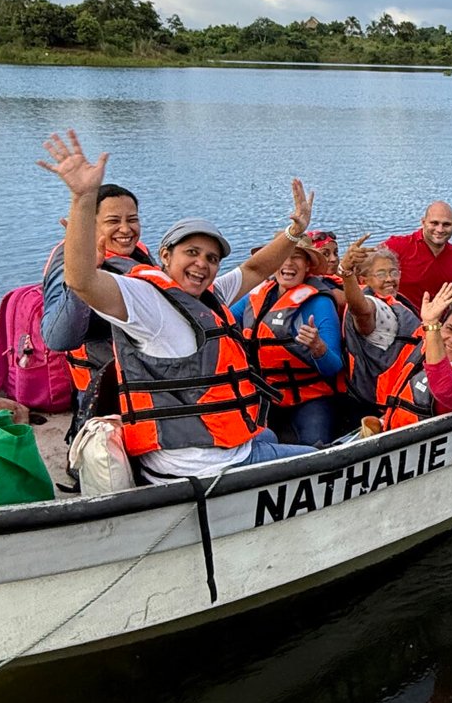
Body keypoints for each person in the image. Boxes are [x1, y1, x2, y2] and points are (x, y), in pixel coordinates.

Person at [38, 130, 315, 480]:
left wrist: (294, 233)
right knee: (323, 457)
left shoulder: (203, 295)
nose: (203, 264)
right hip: (201, 466)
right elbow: (82, 282)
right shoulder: (150, 303)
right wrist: (82, 197)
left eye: (211, 258)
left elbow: (256, 268)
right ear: (165, 257)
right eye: (192, 253)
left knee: (269, 433)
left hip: (206, 445)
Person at [39, 179, 153, 432]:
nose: (125, 229)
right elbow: (59, 338)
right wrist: (87, 270)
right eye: (113, 221)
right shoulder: (68, 262)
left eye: (132, 219)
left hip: (147, 378)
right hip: (104, 393)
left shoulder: (137, 253)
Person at [242, 240, 345, 447]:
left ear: (307, 265)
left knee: (314, 448)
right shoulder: (256, 296)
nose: (288, 264)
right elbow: (220, 319)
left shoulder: (320, 302)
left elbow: (334, 366)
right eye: (282, 256)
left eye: (296, 257)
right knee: (242, 443)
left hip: (310, 398)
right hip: (265, 394)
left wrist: (318, 347)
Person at [376, 283, 452, 429]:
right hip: (393, 435)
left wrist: (431, 325)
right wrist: (383, 422)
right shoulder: (427, 347)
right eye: (449, 329)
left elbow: (446, 389)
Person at [340, 241, 420, 412]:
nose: (390, 279)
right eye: (381, 274)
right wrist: (346, 274)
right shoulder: (373, 305)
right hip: (379, 404)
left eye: (393, 272)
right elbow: (360, 310)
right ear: (364, 280)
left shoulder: (398, 302)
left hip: (402, 396)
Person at [384, 201, 452, 311]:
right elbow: (367, 270)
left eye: (446, 224)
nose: (440, 230)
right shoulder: (397, 246)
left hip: (442, 324)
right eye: (434, 223)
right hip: (405, 322)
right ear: (423, 222)